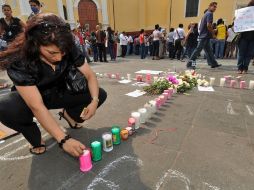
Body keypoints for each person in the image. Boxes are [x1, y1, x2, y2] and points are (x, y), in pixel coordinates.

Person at [0, 13, 107, 157]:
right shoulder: (19, 60)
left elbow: (90, 75)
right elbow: (36, 105)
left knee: (99, 94)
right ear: (35, 43)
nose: (58, 57)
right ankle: (33, 137)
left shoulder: (66, 47)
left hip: (59, 91)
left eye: (62, 53)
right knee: (5, 107)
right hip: (32, 99)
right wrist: (63, 140)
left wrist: (94, 101)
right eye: (52, 52)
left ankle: (69, 115)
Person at [187, 2, 221, 69]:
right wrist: (213, 34)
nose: (215, 8)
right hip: (204, 36)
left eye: (216, 7)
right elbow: (208, 25)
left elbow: (205, 26)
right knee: (197, 50)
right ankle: (189, 64)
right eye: (214, 6)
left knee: (209, 50)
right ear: (210, 6)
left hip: (205, 36)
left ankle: (213, 63)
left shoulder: (206, 14)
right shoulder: (210, 14)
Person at [236, 0, 254, 74]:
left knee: (247, 54)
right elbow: (236, 23)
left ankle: (243, 68)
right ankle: (241, 68)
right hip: (243, 37)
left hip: (252, 38)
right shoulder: (243, 13)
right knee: (243, 54)